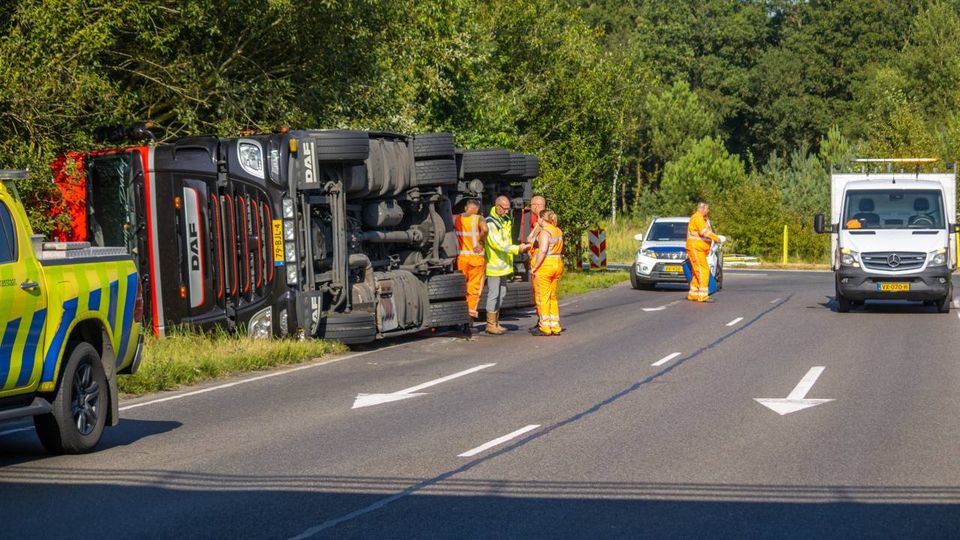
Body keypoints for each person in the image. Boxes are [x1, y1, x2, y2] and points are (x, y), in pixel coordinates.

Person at [484, 195, 529, 335]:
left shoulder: (504, 220)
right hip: (494, 266)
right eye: (505, 208)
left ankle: (496, 322)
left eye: (508, 209)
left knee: (502, 294)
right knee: (493, 294)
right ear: (497, 207)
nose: (507, 211)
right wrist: (517, 249)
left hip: (503, 266)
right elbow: (498, 244)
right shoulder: (490, 223)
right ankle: (490, 324)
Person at [529, 209, 564, 336]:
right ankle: (554, 326)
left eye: (538, 218)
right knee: (552, 296)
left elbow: (543, 250)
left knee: (542, 296)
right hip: (557, 263)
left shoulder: (545, 232)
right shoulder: (557, 230)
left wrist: (535, 267)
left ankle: (544, 327)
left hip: (545, 265)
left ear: (541, 219)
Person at [685, 202, 726, 303]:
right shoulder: (698, 218)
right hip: (696, 248)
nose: (708, 211)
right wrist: (717, 238)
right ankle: (703, 296)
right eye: (707, 209)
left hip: (698, 249)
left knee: (697, 271)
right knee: (703, 270)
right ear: (702, 209)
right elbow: (704, 232)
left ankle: (693, 294)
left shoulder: (702, 219)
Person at [454, 199, 488, 319]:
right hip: (476, 258)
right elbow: (485, 229)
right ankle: (470, 312)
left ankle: (460, 311)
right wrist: (480, 242)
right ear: (477, 209)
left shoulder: (456, 218)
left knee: (462, 286)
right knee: (474, 287)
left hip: (462, 258)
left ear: (466, 208)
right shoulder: (479, 218)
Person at [523, 195, 546, 327]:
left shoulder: (542, 221)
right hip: (546, 261)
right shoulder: (549, 219)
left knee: (540, 294)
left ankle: (543, 322)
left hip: (540, 261)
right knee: (545, 295)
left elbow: (530, 239)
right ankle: (545, 321)